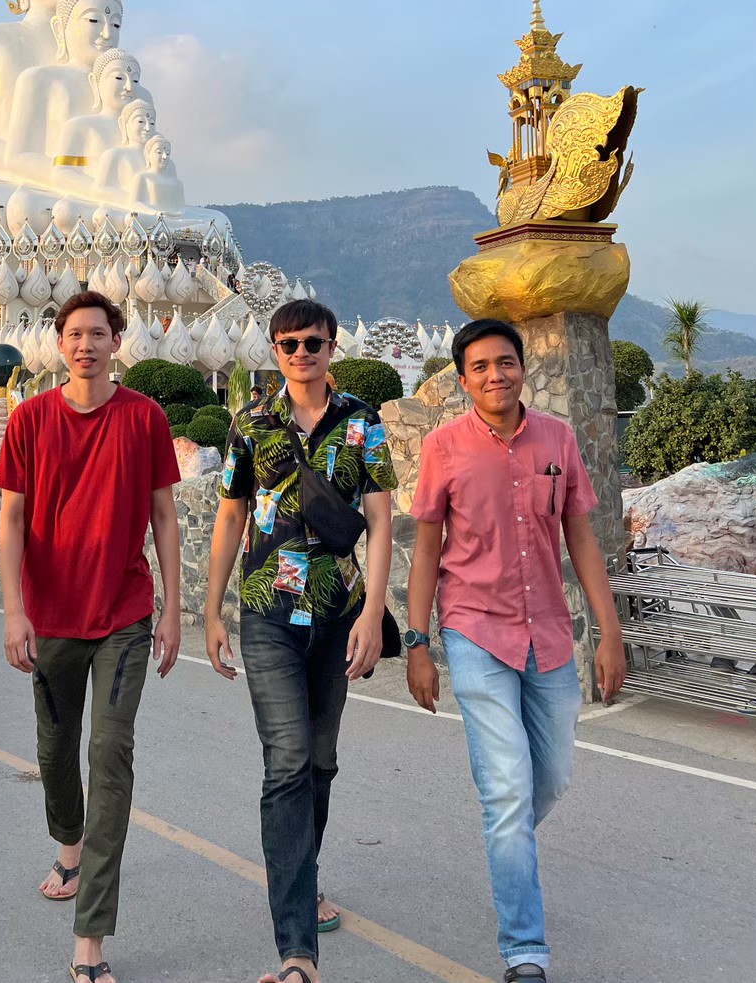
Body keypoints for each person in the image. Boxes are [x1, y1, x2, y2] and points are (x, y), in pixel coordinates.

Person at [406, 319, 627, 983]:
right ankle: (525, 950)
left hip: (549, 633)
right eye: (479, 366)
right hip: (474, 629)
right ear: (462, 379)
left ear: (521, 367)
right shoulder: (443, 447)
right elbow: (426, 550)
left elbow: (581, 537)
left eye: (505, 362)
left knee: (550, 778)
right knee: (506, 790)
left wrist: (609, 632)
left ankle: (508, 847)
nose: (495, 375)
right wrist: (418, 643)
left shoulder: (557, 439)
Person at [205, 300, 396, 983]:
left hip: (338, 614)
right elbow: (230, 515)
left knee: (319, 760)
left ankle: (303, 873)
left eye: (312, 342)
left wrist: (373, 612)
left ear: (331, 345)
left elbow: (381, 518)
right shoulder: (251, 421)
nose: (300, 353)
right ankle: (296, 950)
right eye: (287, 343)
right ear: (275, 349)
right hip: (266, 612)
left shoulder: (361, 421)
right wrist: (212, 609)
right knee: (286, 761)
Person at [0, 290, 182, 983]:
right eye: (74, 334)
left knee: (110, 752)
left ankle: (91, 936)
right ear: (59, 343)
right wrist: (14, 612)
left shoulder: (144, 417)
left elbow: (164, 515)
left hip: (124, 613)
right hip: (50, 616)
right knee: (55, 747)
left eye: (98, 333)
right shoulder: (30, 419)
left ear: (115, 341)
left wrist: (172, 608)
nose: (86, 345)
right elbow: (11, 521)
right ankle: (68, 843)